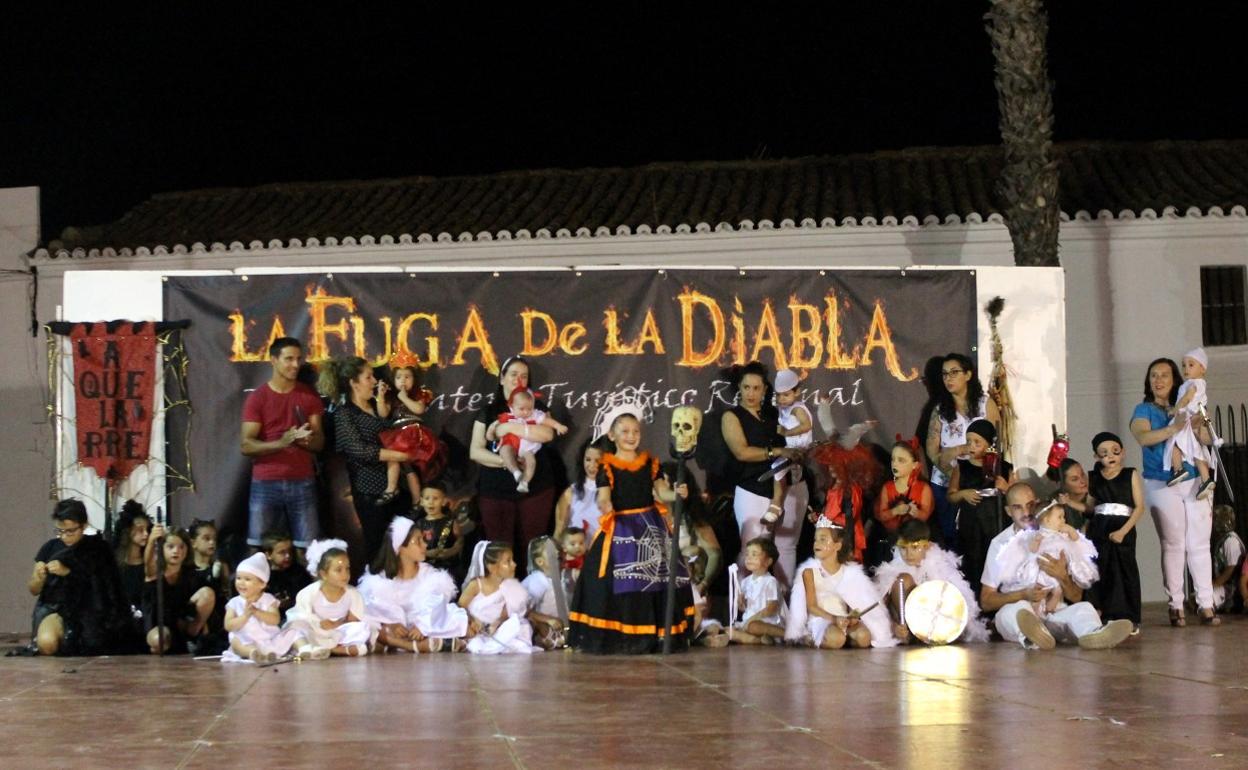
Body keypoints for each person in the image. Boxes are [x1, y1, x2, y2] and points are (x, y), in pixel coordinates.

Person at [568, 411, 695, 654]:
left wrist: (676, 493)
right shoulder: (607, 467)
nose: (631, 436)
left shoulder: (650, 463)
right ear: (612, 435)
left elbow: (661, 493)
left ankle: (656, 634)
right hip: (623, 528)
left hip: (650, 525)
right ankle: (626, 635)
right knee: (623, 580)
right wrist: (605, 505)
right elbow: (604, 496)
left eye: (636, 431)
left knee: (658, 579)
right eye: (625, 431)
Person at [979, 483, 1132, 651]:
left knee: (1084, 608)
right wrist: (1024, 594)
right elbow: (986, 601)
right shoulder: (1000, 543)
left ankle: (1094, 634)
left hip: (1054, 614)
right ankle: (1032, 637)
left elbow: (1076, 597)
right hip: (1022, 609)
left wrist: (1063, 577)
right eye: (1018, 508)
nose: (1026, 513)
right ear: (1009, 511)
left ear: (1037, 504)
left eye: (1030, 505)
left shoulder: (1058, 537)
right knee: (1011, 612)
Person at [1130, 357, 1219, 627]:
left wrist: (1200, 422)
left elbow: (1206, 439)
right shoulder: (1144, 409)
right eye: (1153, 375)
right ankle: (1176, 604)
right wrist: (1174, 427)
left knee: (1200, 543)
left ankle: (1206, 604)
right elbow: (1143, 437)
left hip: (1193, 479)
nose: (1158, 380)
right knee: (1173, 543)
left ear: (1175, 381)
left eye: (1164, 375)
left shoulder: (1190, 406)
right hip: (1161, 481)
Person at [469, 356, 559, 578]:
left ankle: (536, 601)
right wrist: (507, 463)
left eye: (524, 376)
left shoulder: (537, 408)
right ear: (501, 379)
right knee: (500, 551)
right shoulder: (489, 412)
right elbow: (475, 451)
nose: (519, 380)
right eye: (513, 375)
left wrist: (509, 427)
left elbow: (547, 434)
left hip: (536, 488)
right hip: (496, 490)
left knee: (533, 547)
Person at [319, 356, 413, 568]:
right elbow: (358, 450)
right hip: (371, 493)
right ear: (354, 382)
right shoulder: (345, 414)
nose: (374, 381)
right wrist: (398, 456)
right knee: (378, 548)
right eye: (368, 377)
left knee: (402, 547)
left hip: (399, 488)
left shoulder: (376, 405)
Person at [241, 337, 325, 553]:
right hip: (265, 481)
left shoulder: (308, 396)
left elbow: (319, 442)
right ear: (273, 360)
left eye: (298, 359)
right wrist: (281, 442)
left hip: (302, 481)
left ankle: (308, 588)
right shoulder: (258, 398)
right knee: (258, 549)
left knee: (309, 550)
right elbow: (246, 445)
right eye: (289, 359)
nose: (295, 365)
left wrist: (306, 440)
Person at [721, 362, 799, 585]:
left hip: (783, 487)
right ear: (740, 388)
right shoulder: (732, 416)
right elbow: (741, 452)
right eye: (747, 388)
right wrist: (777, 451)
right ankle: (743, 604)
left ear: (765, 390)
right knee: (752, 548)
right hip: (751, 488)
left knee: (785, 546)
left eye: (756, 388)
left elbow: (793, 438)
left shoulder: (773, 414)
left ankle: (782, 601)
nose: (751, 393)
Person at [24, 499, 129, 656]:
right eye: (60, 531)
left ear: (84, 526)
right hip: (56, 608)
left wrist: (68, 572)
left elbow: (104, 586)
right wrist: (39, 577)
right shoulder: (50, 547)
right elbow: (33, 589)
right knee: (47, 644)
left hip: (88, 611)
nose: (65, 536)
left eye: (71, 531)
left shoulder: (97, 549)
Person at [359, 517, 470, 654]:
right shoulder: (379, 581)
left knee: (454, 616)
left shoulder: (431, 576)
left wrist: (422, 626)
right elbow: (373, 611)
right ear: (400, 548)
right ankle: (411, 646)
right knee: (367, 625)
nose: (425, 545)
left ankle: (393, 645)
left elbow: (435, 605)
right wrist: (390, 624)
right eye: (418, 541)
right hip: (396, 632)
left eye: (423, 540)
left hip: (421, 630)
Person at [785, 519, 897, 649]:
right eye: (816, 539)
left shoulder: (849, 572)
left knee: (864, 637)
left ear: (837, 546)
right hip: (822, 619)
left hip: (843, 620)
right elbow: (811, 606)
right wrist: (834, 619)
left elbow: (853, 599)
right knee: (836, 638)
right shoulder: (809, 572)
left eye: (823, 539)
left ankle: (843, 639)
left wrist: (853, 616)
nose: (817, 543)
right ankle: (814, 638)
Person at [873, 518, 989, 644]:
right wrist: (893, 626)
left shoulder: (940, 565)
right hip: (904, 626)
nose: (908, 554)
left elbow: (958, 600)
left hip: (934, 623)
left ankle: (924, 634)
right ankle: (909, 632)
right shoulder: (893, 569)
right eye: (903, 548)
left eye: (915, 547)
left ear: (927, 546)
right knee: (902, 579)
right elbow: (878, 605)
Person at [925, 353, 1000, 546]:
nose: (948, 378)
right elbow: (932, 451)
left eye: (954, 372)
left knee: (978, 535)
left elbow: (996, 444)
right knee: (950, 537)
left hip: (977, 482)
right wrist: (955, 466)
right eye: (944, 374)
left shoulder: (985, 404)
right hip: (945, 482)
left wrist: (977, 474)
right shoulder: (940, 410)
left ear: (968, 375)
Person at [993, 500, 1099, 619]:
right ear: (1047, 520)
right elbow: (1032, 550)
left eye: (1063, 517)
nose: (1063, 520)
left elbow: (1076, 539)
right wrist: (1037, 541)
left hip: (1057, 574)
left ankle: (1051, 608)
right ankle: (1036, 611)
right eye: (1060, 517)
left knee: (1060, 591)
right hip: (1040, 571)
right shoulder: (1035, 535)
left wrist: (1070, 530)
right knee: (1037, 592)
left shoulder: (1062, 535)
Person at [1087, 432, 1145, 632]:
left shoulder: (1130, 474)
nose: (1110, 456)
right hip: (1100, 528)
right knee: (1103, 570)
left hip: (1123, 528)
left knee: (1125, 570)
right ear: (1096, 456)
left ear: (1123, 453)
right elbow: (1089, 507)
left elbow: (1139, 507)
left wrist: (1123, 531)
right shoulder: (1094, 477)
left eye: (1115, 451)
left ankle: (1130, 617)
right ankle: (1106, 614)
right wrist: (1069, 503)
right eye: (1104, 453)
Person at [947, 419, 1012, 598]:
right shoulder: (963, 467)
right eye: (968, 441)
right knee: (973, 561)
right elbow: (951, 495)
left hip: (995, 522)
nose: (971, 446)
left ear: (989, 444)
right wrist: (963, 494)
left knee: (994, 561)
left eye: (977, 442)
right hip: (971, 523)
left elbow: (1015, 495)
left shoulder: (1003, 467)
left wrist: (1006, 488)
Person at [287, 539, 374, 658]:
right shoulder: (308, 593)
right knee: (296, 625)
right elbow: (302, 615)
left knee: (361, 628)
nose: (345, 574)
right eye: (338, 570)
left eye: (347, 569)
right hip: (315, 630)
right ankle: (306, 648)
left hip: (338, 632)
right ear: (323, 574)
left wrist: (338, 624)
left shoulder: (353, 594)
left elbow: (354, 621)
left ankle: (331, 649)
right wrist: (319, 623)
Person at [375, 357, 444, 509]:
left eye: (407, 376)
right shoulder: (391, 396)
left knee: (405, 464)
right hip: (398, 435)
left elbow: (419, 409)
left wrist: (405, 398)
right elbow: (383, 414)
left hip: (413, 433)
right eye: (398, 377)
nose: (403, 381)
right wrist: (380, 396)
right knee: (402, 465)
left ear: (414, 378)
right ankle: (400, 493)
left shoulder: (418, 393)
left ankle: (405, 494)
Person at [142, 525, 216, 655]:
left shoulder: (191, 574)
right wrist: (151, 541)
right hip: (160, 625)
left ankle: (191, 640)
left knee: (207, 593)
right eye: (170, 547)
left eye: (181, 547)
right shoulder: (155, 573)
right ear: (162, 549)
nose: (176, 551)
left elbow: (201, 604)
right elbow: (148, 566)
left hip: (184, 623)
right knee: (158, 640)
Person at [459, 541, 541, 654]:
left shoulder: (509, 586)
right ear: (492, 567)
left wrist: (497, 624)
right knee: (477, 645)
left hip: (495, 630)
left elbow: (505, 613)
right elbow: (460, 607)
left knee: (518, 624)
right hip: (476, 631)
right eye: (508, 561)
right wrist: (472, 621)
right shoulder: (476, 585)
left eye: (512, 560)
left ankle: (498, 644)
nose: (514, 564)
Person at [221, 552, 303, 663]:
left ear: (262, 584)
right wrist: (245, 616)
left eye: (247, 579)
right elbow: (228, 625)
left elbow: (275, 620)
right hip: (248, 642)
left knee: (294, 631)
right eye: (238, 578)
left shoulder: (269, 599)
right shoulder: (234, 602)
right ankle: (253, 653)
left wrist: (256, 612)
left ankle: (305, 649)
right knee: (235, 640)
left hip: (270, 640)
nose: (241, 583)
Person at [488, 387, 568, 494]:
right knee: (505, 451)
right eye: (521, 409)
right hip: (512, 445)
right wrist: (491, 433)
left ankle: (525, 482)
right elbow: (492, 431)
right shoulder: (507, 417)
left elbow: (547, 421)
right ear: (511, 406)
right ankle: (516, 472)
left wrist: (558, 426)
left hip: (528, 448)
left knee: (531, 462)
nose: (526, 412)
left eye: (529, 408)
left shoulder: (534, 415)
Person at [1165, 348, 1215, 501]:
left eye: (1191, 364)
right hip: (1189, 417)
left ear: (1203, 368)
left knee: (1172, 442)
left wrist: (1175, 409)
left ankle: (1178, 469)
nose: (1186, 369)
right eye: (1184, 365)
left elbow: (1187, 398)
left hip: (1186, 417)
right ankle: (1206, 479)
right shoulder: (1196, 383)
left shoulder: (1194, 383)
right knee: (1195, 449)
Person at [768, 368, 813, 533]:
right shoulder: (783, 409)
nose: (781, 399)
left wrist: (787, 432)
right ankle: (780, 505)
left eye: (786, 395)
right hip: (790, 448)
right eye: (779, 395)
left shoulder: (797, 409)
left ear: (797, 392)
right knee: (786, 474)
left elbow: (806, 425)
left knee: (777, 468)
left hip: (798, 448)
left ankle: (776, 503)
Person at [727, 538, 786, 645]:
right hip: (748, 622)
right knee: (728, 630)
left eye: (754, 554)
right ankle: (759, 640)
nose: (749, 557)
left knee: (753, 626)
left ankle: (786, 634)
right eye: (747, 554)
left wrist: (751, 620)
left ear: (768, 561)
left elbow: (771, 608)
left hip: (766, 621)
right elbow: (744, 608)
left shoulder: (770, 581)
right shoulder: (745, 582)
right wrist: (740, 604)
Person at [875, 438, 935, 542]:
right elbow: (881, 515)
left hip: (914, 539)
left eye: (901, 460)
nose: (895, 464)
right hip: (892, 538)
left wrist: (912, 510)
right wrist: (895, 511)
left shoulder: (924, 488)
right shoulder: (887, 487)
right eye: (893, 459)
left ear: (914, 465)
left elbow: (925, 516)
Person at [520, 536, 568, 649]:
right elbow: (522, 609)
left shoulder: (563, 575)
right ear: (539, 561)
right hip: (547, 627)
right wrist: (547, 620)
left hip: (561, 627)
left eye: (556, 548)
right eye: (550, 550)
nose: (556, 551)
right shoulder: (538, 581)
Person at [554, 441, 604, 543]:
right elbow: (559, 532)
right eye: (588, 459)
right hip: (576, 556)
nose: (592, 465)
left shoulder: (616, 491)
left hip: (605, 553)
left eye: (598, 461)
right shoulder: (570, 492)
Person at [414, 481, 464, 582]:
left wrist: (451, 551)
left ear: (444, 501)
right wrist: (427, 553)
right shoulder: (418, 524)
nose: (431, 502)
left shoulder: (451, 522)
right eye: (427, 498)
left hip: (448, 568)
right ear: (421, 501)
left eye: (435, 498)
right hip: (425, 568)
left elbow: (460, 541)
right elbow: (414, 546)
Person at [113, 500, 152, 624]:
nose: (146, 534)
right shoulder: (114, 562)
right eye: (140, 530)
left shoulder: (148, 562)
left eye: (147, 529)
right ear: (128, 531)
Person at [260, 530, 310, 621]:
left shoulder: (299, 572)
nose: (288, 556)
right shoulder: (261, 576)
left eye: (290, 551)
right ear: (268, 555)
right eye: (282, 552)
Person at [1207, 504, 1244, 614]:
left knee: (1204, 600)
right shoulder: (1224, 539)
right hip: (1225, 586)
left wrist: (1216, 583)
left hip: (1231, 588)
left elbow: (1231, 568)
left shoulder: (1231, 541)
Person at [1052, 458, 1094, 532]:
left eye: (1082, 474)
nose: (1083, 481)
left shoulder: (1097, 494)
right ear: (1062, 484)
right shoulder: (1055, 502)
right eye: (1075, 479)